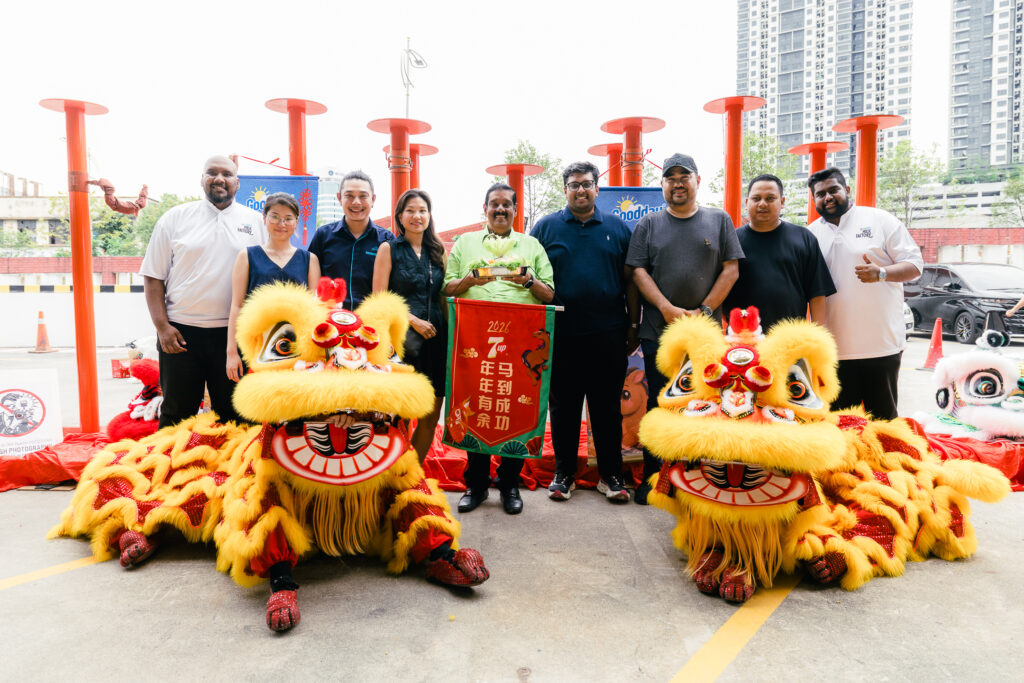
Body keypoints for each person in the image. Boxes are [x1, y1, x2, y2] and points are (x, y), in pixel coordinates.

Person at [626, 153, 744, 504]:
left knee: (700, 403)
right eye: (670, 177)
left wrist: (704, 310)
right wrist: (665, 308)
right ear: (662, 184)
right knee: (660, 404)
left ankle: (693, 478)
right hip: (657, 332)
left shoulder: (719, 220)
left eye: (684, 176)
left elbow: (731, 269)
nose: (677, 183)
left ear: (697, 181)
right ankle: (652, 477)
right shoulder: (648, 224)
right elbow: (637, 272)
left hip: (704, 335)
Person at [444, 183, 555, 515]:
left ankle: (509, 484)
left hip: (521, 340)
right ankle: (475, 484)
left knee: (512, 407)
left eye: (507, 205)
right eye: (495, 204)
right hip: (475, 338)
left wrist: (528, 282)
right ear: (485, 207)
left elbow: (550, 294)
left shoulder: (532, 245)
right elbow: (447, 289)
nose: (501, 210)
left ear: (516, 210)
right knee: (475, 405)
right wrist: (470, 282)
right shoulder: (464, 244)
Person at [531, 161, 639, 503]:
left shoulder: (618, 228)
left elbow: (632, 281)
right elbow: (532, 279)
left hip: (609, 333)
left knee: (607, 407)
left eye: (587, 184)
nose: (581, 190)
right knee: (563, 406)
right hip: (561, 334)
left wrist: (633, 323)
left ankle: (611, 475)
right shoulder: (546, 228)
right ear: (565, 190)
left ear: (597, 189)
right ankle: (565, 474)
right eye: (574, 185)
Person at [140, 155, 266, 428]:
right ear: (202, 179)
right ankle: (171, 469)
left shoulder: (257, 222)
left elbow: (267, 278)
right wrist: (162, 327)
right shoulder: (174, 219)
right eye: (212, 173)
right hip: (181, 334)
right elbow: (153, 277)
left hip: (234, 337)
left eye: (227, 174)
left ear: (237, 182)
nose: (219, 178)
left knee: (236, 416)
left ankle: (232, 472)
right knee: (176, 414)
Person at [806, 167, 923, 420]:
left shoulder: (880, 220)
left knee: (884, 424)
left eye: (834, 190)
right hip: (834, 350)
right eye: (820, 193)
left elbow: (915, 266)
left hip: (880, 346)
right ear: (813, 199)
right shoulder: (811, 234)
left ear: (846, 190)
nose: (827, 197)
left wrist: (881, 273)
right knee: (841, 426)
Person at [372, 189, 447, 462]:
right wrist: (413, 321)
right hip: (402, 341)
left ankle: (412, 474)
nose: (417, 216)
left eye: (422, 211)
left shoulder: (438, 251)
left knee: (431, 413)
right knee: (398, 413)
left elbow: (443, 299)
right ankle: (391, 473)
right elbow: (379, 299)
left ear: (429, 215)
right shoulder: (388, 249)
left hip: (438, 340)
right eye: (411, 211)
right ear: (400, 217)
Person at [226, 192, 321, 382]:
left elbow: (315, 311)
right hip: (255, 347)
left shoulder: (309, 259)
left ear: (296, 222)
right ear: (264, 218)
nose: (281, 224)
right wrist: (231, 352)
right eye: (275, 217)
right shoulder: (247, 256)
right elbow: (237, 306)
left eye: (288, 218)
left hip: (296, 350)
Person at [723, 174, 836, 329]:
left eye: (770, 198)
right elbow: (720, 291)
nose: (762, 204)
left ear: (782, 202)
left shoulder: (803, 238)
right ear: (747, 203)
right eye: (756, 199)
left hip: (790, 339)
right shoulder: (731, 241)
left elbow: (817, 293)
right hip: (744, 339)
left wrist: (817, 337)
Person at [308, 171, 394, 309]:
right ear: (339, 198)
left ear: (373, 199)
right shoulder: (323, 235)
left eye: (363, 196)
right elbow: (312, 282)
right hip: (332, 321)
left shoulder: (387, 240)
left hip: (371, 322)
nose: (356, 202)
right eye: (349, 196)